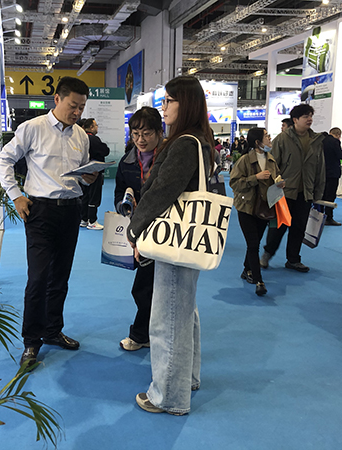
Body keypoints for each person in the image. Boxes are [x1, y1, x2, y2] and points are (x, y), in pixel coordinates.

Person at [126, 76, 215, 415]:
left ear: (185, 103)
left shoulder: (184, 143)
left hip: (175, 241)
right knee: (184, 312)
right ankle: (186, 379)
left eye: (168, 101)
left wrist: (135, 228)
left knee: (168, 319)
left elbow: (162, 191)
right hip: (187, 240)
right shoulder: (198, 140)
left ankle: (169, 397)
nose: (163, 108)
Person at [0, 77, 98, 368]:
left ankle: (53, 330)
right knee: (38, 278)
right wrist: (16, 195)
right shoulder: (33, 128)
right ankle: (31, 340)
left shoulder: (81, 136)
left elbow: (81, 174)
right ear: (57, 99)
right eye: (72, 105)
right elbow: (3, 160)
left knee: (60, 277)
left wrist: (88, 177)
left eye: (81, 107)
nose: (77, 112)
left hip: (71, 211)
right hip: (40, 211)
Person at [114, 106, 164, 351]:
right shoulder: (127, 162)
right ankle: (149, 333)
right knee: (147, 285)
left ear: (159, 132)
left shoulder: (169, 158)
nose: (140, 140)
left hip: (165, 229)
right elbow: (118, 195)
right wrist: (125, 205)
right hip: (139, 230)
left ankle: (141, 334)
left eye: (146, 134)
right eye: (135, 134)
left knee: (146, 287)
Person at [260, 104, 325, 273]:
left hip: (305, 192)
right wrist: (273, 187)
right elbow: (272, 165)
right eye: (305, 116)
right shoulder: (282, 139)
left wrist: (317, 192)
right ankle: (267, 254)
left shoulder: (316, 141)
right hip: (284, 192)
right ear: (295, 120)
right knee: (277, 227)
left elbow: (320, 168)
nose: (309, 119)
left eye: (310, 116)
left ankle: (293, 260)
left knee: (299, 228)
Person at [230, 128, 282, 296]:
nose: (270, 138)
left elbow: (276, 179)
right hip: (246, 208)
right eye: (266, 136)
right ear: (257, 142)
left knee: (255, 241)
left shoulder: (271, 160)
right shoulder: (245, 160)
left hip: (264, 208)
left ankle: (247, 269)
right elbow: (234, 183)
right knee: (253, 244)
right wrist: (255, 178)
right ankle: (259, 281)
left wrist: (280, 184)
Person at [80, 118, 109, 230]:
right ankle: (92, 221)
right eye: (96, 125)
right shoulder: (93, 139)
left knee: (85, 196)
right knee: (94, 197)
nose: (97, 127)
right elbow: (105, 150)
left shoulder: (81, 138)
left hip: (83, 172)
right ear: (91, 127)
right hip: (95, 172)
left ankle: (84, 219)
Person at [322, 127, 342, 226]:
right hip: (332, 173)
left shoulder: (322, 141)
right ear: (338, 135)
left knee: (322, 195)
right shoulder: (335, 142)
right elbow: (340, 155)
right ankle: (329, 217)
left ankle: (319, 216)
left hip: (322, 172)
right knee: (330, 195)